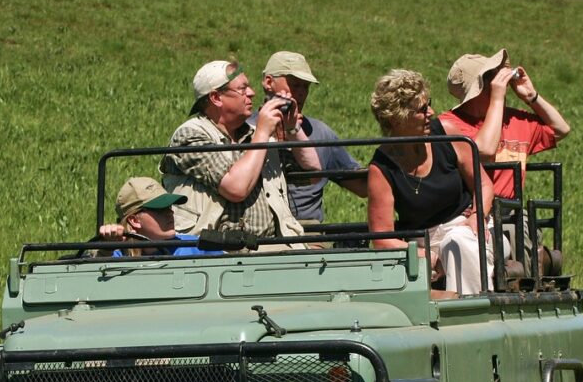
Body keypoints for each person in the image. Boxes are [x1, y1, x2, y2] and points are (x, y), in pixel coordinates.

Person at [367, 69, 504, 296]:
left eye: (428, 103)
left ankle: (471, 310)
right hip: (423, 242)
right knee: (453, 245)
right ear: (397, 118)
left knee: (458, 241)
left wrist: (477, 217)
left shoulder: (446, 134)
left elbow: (484, 184)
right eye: (421, 109)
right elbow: (383, 240)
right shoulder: (382, 168)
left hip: (468, 228)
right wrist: (429, 255)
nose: (431, 112)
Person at [438, 49, 570, 271]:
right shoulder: (450, 124)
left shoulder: (515, 120)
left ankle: (526, 281)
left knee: (522, 228)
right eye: (492, 76)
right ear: (480, 87)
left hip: (510, 212)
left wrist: (532, 97)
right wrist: (497, 98)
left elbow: (561, 129)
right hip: (470, 213)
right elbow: (485, 150)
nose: (501, 80)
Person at [159, 60, 320, 241]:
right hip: (213, 248)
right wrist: (263, 132)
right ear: (216, 98)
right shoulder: (189, 136)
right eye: (243, 89)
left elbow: (313, 174)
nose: (252, 93)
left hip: (267, 245)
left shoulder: (252, 135)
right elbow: (236, 188)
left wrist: (292, 129)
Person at [252, 51, 367, 222]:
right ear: (269, 82)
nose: (301, 93)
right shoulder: (245, 129)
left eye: (305, 86)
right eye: (295, 85)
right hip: (259, 229)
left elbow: (362, 187)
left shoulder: (320, 132)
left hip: (307, 231)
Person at [98, 176, 221, 256]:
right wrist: (106, 247)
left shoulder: (196, 248)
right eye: (160, 209)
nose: (170, 213)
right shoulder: (116, 254)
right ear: (134, 220)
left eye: (169, 207)